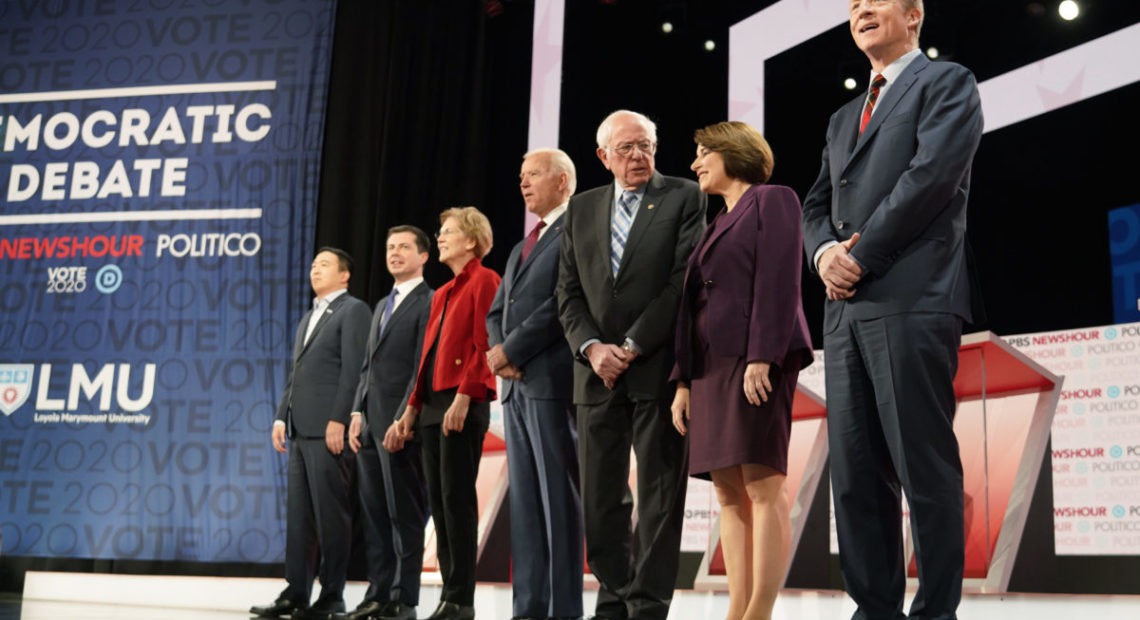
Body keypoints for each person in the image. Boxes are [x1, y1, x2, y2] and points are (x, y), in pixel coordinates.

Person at [800, 2, 984, 619]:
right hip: (845, 310)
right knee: (855, 477)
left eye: (876, 1)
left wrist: (862, 254)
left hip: (910, 298)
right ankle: (873, 609)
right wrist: (824, 253)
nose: (862, 11)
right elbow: (814, 204)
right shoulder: (843, 115)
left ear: (914, 16)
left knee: (922, 467)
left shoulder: (947, 83)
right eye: (853, 6)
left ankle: (935, 612)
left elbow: (930, 178)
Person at [556, 109, 706, 620]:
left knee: (660, 500)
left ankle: (648, 606)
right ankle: (615, 597)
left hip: (655, 367)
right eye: (625, 148)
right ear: (602, 157)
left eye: (645, 145)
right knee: (601, 503)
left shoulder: (684, 195)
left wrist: (634, 343)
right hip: (594, 374)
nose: (637, 155)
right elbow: (568, 293)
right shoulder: (580, 208)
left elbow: (681, 281)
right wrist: (593, 349)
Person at [670, 121, 813, 620]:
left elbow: (779, 280)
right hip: (710, 368)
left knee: (762, 483)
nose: (695, 164)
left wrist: (763, 355)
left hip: (753, 358)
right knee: (728, 493)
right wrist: (683, 381)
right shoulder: (714, 225)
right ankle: (736, 609)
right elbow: (692, 307)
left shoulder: (773, 199)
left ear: (734, 152)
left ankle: (761, 612)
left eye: (704, 152)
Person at [387, 207, 501, 620]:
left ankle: (461, 599)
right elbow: (427, 357)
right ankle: (450, 597)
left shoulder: (486, 280)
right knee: (440, 501)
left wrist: (466, 396)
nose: (441, 238)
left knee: (457, 503)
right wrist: (411, 409)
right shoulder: (442, 292)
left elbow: (484, 345)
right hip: (434, 405)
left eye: (448, 232)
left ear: (471, 240)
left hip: (461, 403)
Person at [486, 148, 583, 620]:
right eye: (520, 176)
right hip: (515, 386)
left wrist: (512, 351)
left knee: (558, 502)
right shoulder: (521, 244)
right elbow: (495, 311)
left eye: (534, 175)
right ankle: (528, 609)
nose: (523, 184)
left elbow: (563, 302)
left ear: (563, 181)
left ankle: (565, 609)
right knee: (525, 506)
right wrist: (497, 351)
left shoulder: (577, 229)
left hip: (549, 380)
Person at [252, 247, 373, 619]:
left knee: (331, 515)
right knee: (300, 517)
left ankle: (332, 593)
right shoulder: (309, 317)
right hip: (300, 429)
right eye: (313, 265)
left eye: (324, 265)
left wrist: (340, 417)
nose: (315, 271)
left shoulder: (353, 310)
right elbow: (297, 374)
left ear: (345, 275)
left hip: (328, 430)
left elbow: (354, 370)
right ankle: (296, 591)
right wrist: (280, 417)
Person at [346, 226, 434, 620]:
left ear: (423, 256)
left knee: (405, 514)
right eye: (390, 248)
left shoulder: (429, 301)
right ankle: (378, 593)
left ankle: (404, 598)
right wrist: (355, 413)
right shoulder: (382, 304)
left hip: (401, 426)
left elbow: (421, 366)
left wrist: (402, 418)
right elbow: (368, 367)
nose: (395, 253)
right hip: (368, 426)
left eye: (403, 247)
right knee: (376, 514)